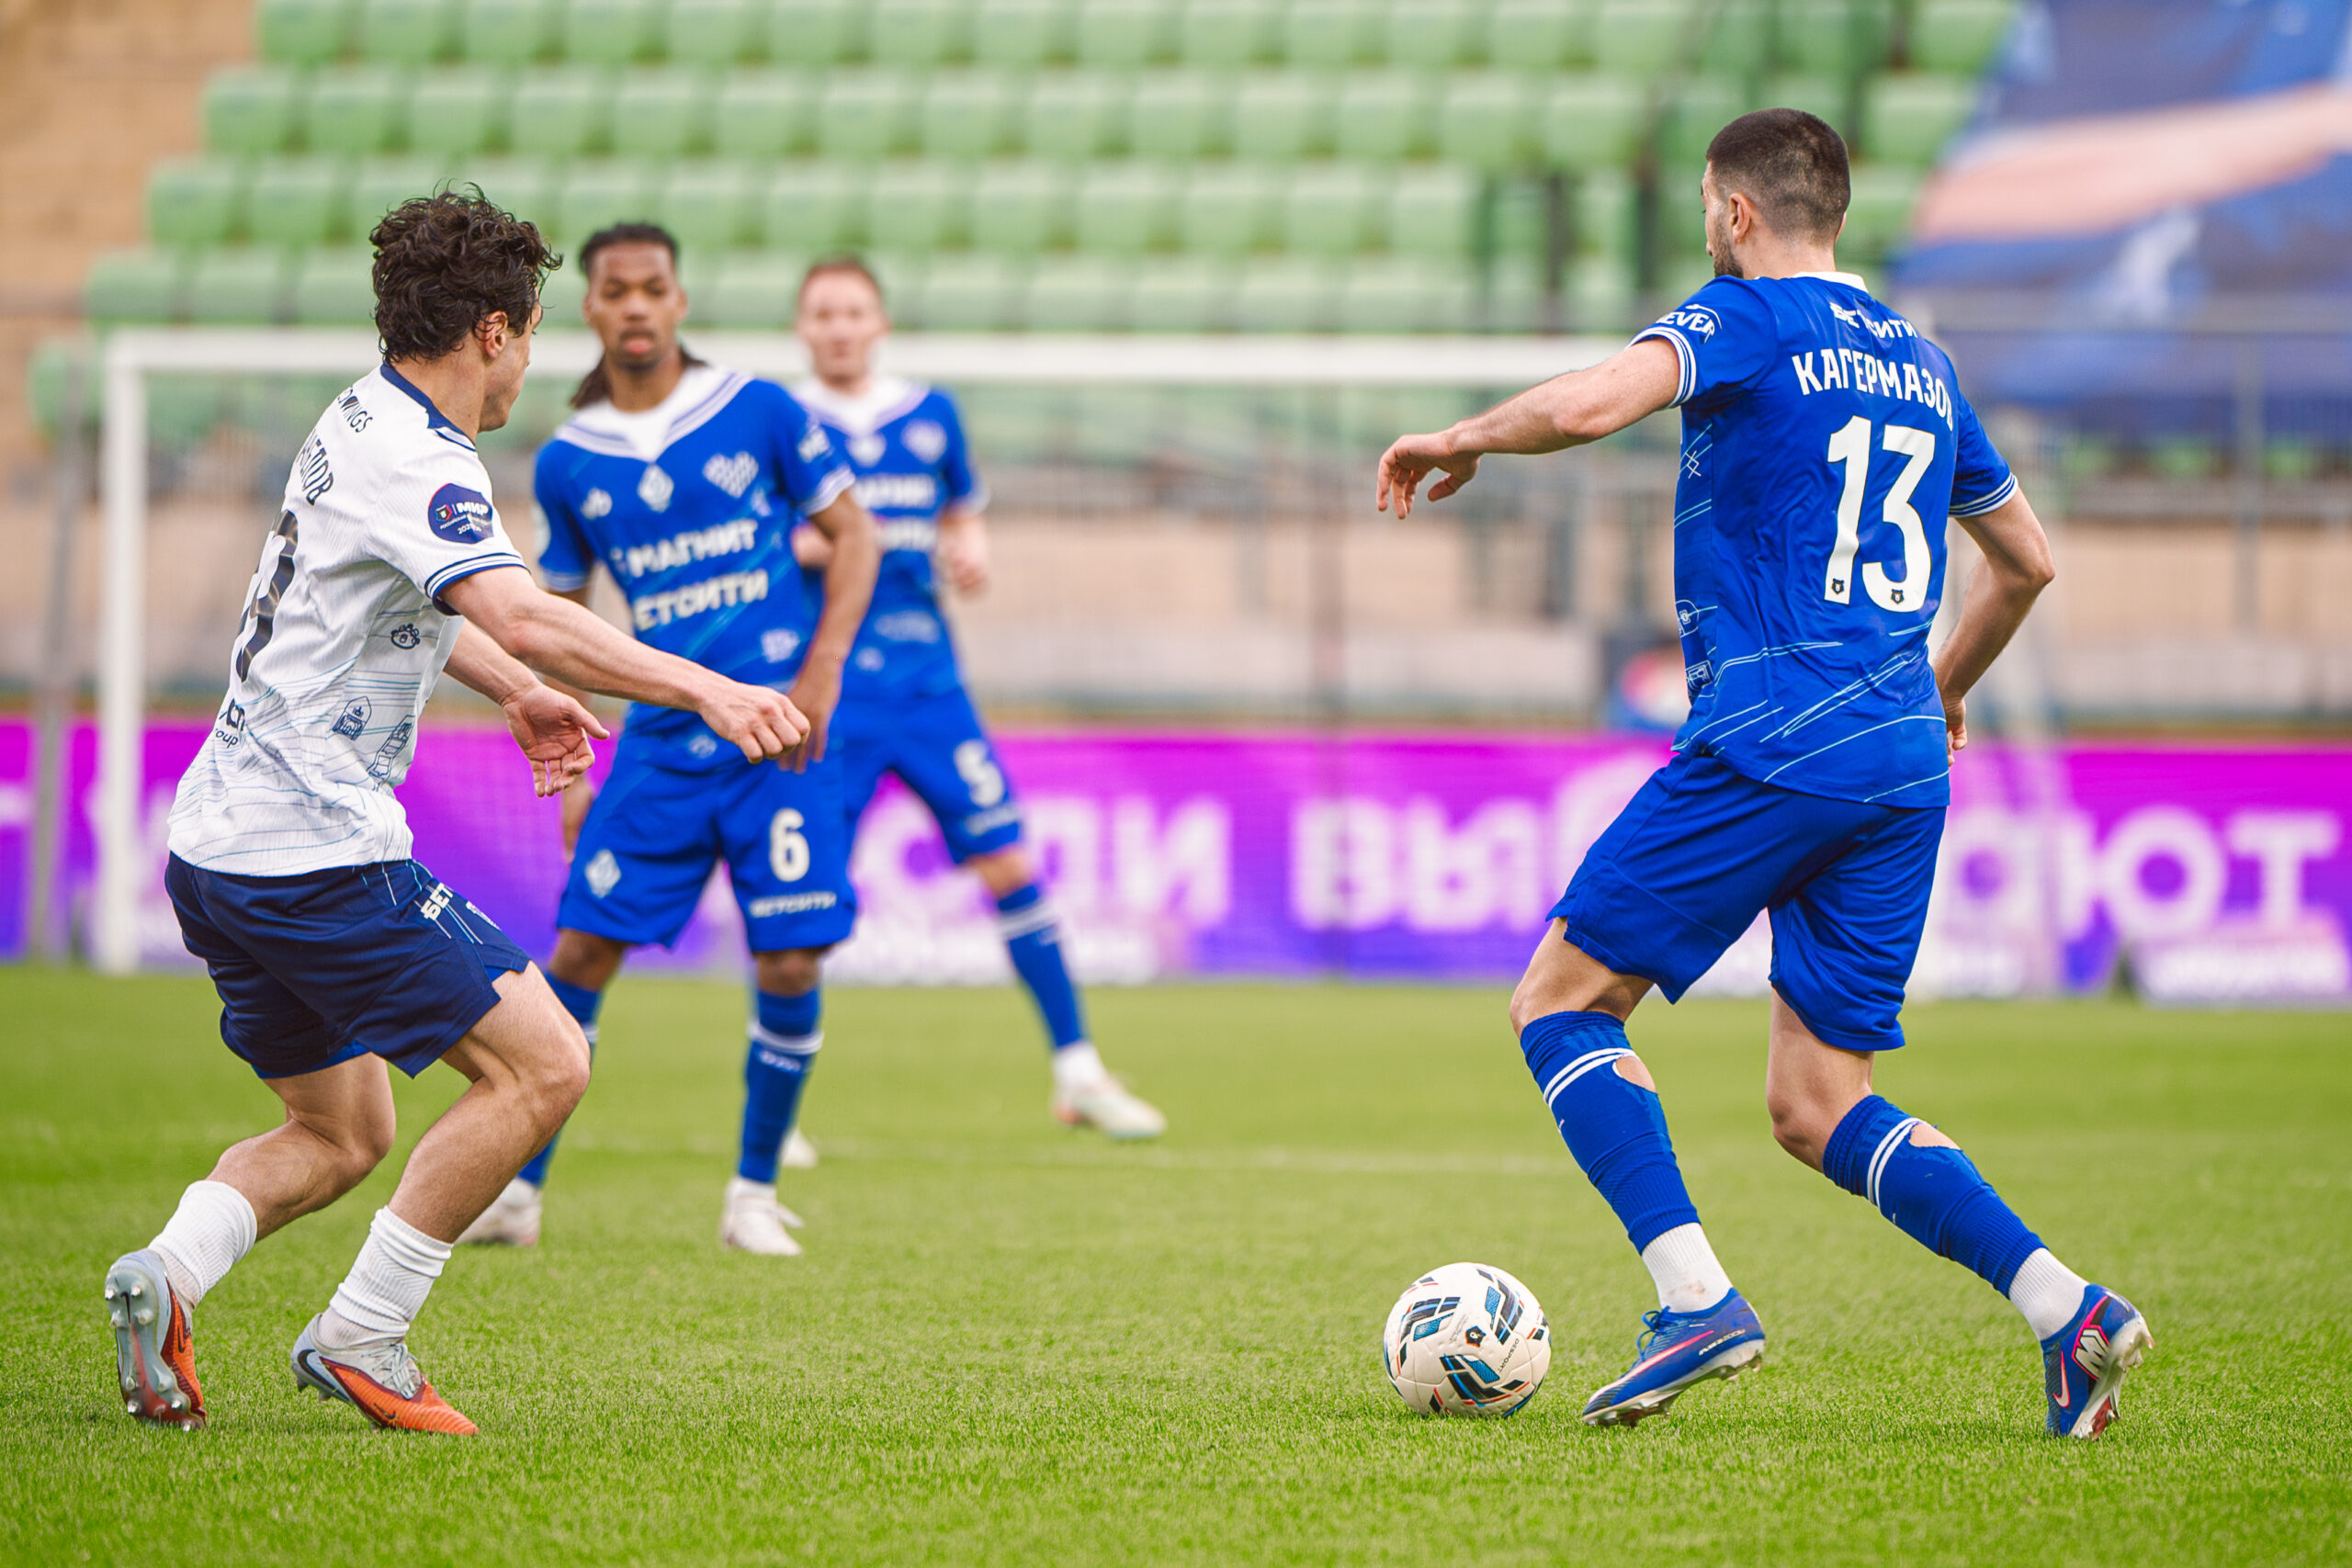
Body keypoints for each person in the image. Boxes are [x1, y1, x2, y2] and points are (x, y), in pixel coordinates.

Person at [1375, 109, 2152, 1439]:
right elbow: (2026, 561)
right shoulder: (1923, 363)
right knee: (1817, 1102)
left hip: (1775, 735)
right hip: (1899, 760)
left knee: (1560, 1000)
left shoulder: (1744, 317)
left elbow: (1589, 403)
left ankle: (1695, 1298)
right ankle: (2066, 1308)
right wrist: (1944, 687)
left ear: (1736, 211)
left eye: (1705, 203)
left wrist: (1466, 435)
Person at [105, 190, 812, 1435]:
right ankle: (363, 1333)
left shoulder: (359, 414)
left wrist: (519, 689)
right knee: (548, 1063)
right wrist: (705, 686)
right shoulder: (422, 458)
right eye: (530, 334)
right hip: (312, 852)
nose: (529, 364)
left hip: (216, 847)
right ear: (494, 331)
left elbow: (419, 608)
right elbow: (523, 608)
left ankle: (167, 1271)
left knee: (340, 1130)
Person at [455, 222, 881, 1258]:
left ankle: (753, 1194)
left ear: (680, 301)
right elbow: (556, 614)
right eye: (618, 290)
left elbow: (858, 536)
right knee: (581, 950)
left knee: (791, 960)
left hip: (774, 735)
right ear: (591, 310)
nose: (637, 305)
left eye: (654, 288)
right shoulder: (570, 461)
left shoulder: (757, 409)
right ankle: (519, 1195)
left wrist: (823, 671)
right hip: (657, 748)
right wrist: (572, 767)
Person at [787, 256, 1167, 1140]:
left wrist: (971, 552)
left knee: (1009, 864)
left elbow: (961, 511)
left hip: (929, 685)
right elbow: (769, 542)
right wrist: (845, 545)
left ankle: (1078, 1072)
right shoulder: (782, 420)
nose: (840, 328)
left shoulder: (931, 414)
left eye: (854, 312)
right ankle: (781, 1116)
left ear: (880, 323)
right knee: (804, 902)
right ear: (802, 328)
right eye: (824, 314)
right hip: (829, 690)